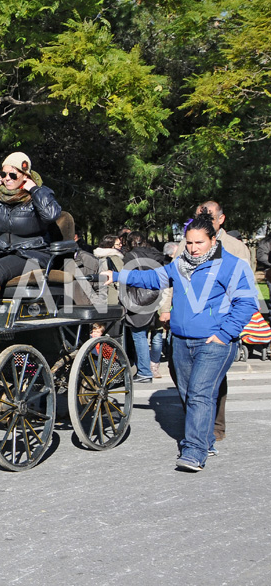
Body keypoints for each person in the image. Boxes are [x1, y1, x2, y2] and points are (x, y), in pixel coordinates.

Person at [102, 210, 258, 471]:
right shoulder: (180, 263)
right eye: (189, 242)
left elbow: (246, 303)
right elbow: (153, 277)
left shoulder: (232, 265)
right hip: (181, 341)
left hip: (214, 342)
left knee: (199, 394)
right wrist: (118, 276)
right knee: (189, 394)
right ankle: (206, 439)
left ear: (213, 241)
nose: (194, 248)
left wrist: (224, 334)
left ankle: (194, 452)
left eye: (199, 242)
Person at [161, 200, 254, 443]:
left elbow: (246, 290)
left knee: (211, 382)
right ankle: (198, 426)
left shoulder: (236, 247)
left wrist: (229, 329)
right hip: (186, 322)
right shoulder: (188, 243)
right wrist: (166, 308)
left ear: (221, 219)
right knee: (183, 376)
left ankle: (213, 429)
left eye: (208, 216)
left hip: (219, 325)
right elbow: (174, 276)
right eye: (195, 216)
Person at [0, 151, 62, 304]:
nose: (7, 178)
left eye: (13, 175)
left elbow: (51, 214)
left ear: (25, 176)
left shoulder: (40, 193)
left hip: (31, 253)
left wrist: (34, 190)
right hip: (0, 250)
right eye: (4, 174)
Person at [121, 232, 165, 383]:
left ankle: (144, 371)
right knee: (156, 332)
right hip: (156, 296)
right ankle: (154, 364)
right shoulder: (157, 255)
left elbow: (127, 278)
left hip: (137, 298)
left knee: (139, 335)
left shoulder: (129, 256)